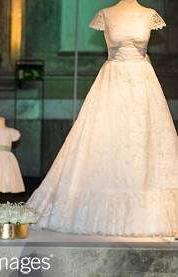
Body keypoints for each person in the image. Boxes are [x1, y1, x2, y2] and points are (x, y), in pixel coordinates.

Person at [27, 0, 178, 236]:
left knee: (143, 145)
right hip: (112, 84)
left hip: (143, 86)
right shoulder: (106, 14)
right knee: (106, 141)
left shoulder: (149, 14)